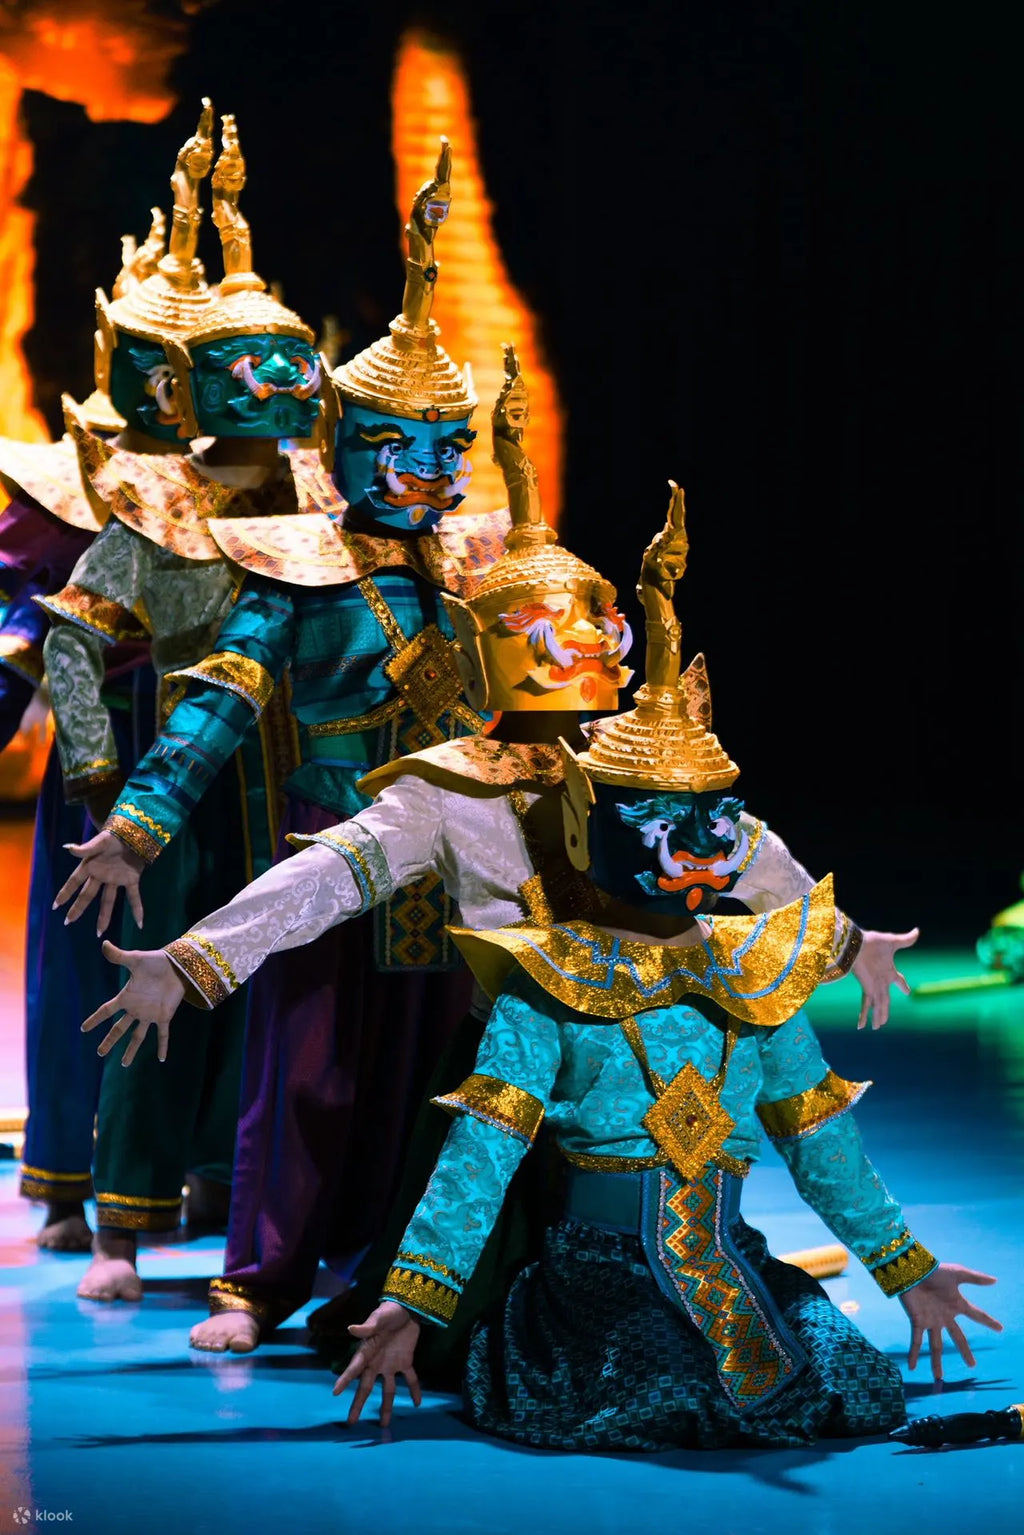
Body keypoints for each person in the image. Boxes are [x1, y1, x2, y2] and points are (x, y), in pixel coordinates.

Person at [83, 462, 916, 1379]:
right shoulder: (448, 790)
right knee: (486, 1311)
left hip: (635, 1070)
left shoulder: (640, 758)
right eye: (556, 632)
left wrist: (845, 941)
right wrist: (198, 956)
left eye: (593, 627)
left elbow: (746, 854)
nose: (584, 648)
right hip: (520, 1058)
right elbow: (324, 875)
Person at [331, 488, 1000, 1444]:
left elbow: (822, 1148)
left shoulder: (757, 976)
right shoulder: (548, 982)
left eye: (718, 823)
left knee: (842, 1386)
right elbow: (478, 1161)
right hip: (596, 1276)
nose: (702, 849)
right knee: (662, 1388)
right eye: (666, 825)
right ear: (588, 832)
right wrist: (414, 1304)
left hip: (734, 1256)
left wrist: (907, 1266)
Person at [62, 138, 505, 1325]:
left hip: (450, 857)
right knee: (302, 1067)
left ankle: (392, 1282)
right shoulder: (289, 566)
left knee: (434, 1076)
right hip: (327, 838)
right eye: (401, 447)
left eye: (448, 449)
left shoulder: (470, 568)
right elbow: (216, 698)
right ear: (354, 447)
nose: (429, 470)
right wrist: (134, 822)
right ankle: (256, 1280)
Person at [42, 104, 327, 1299]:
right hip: (183, 787)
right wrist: (110, 783)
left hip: (308, 787)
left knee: (289, 1006)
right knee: (159, 992)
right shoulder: (162, 502)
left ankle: (243, 1195)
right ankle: (119, 1225)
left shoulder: (329, 498)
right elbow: (71, 640)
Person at [0, 206, 181, 1250]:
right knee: (82, 960)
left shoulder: (251, 484)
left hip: (224, 765)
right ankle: (69, 1182)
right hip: (98, 759)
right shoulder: (60, 490)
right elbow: (25, 636)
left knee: (211, 963)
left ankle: (192, 1178)